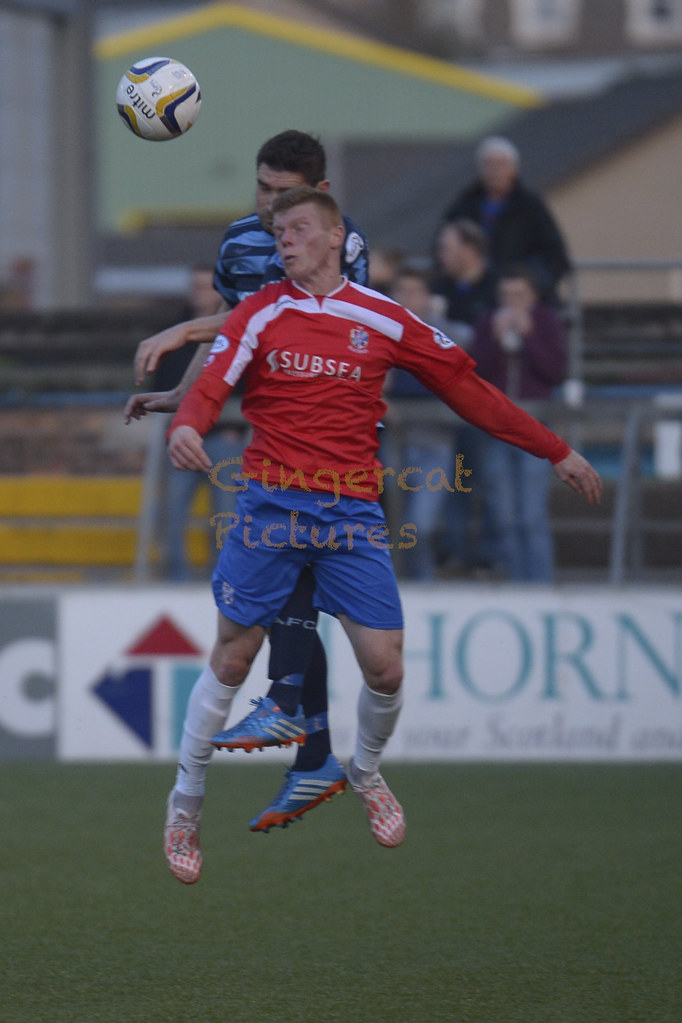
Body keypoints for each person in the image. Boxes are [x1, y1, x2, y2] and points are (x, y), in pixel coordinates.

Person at [163, 186, 601, 878]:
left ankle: (363, 771)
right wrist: (188, 421)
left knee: (386, 666)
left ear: (335, 237)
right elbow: (216, 381)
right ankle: (185, 801)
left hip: (350, 515)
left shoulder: (383, 317)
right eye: (280, 229)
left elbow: (472, 391)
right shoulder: (260, 310)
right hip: (271, 508)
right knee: (230, 660)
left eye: (299, 227)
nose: (285, 238)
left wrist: (556, 450)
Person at [124, 132, 369, 872]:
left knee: (348, 631)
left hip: (337, 445)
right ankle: (291, 747)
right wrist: (183, 396)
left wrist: (182, 327)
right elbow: (236, 334)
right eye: (260, 188)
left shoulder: (339, 244)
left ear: (318, 192)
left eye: (282, 191)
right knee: (250, 630)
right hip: (271, 446)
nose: (266, 204)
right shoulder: (240, 242)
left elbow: (282, 318)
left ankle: (315, 737)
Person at [470, 266, 568, 582]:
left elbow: (555, 371)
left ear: (533, 297)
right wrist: (495, 341)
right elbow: (474, 374)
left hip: (535, 429)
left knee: (531, 516)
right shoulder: (489, 321)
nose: (511, 302)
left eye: (519, 295)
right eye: (506, 296)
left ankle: (540, 585)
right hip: (497, 429)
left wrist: (530, 337)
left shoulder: (545, 321)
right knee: (505, 516)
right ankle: (517, 585)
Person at [152, 266, 245, 581]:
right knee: (172, 512)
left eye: (206, 287)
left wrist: (236, 424)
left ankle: (223, 577)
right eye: (195, 286)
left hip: (225, 436)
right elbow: (162, 379)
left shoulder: (238, 332)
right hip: (182, 435)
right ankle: (176, 577)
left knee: (226, 513)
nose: (199, 293)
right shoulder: (176, 333)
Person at [383, 265, 468, 580]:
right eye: (400, 291)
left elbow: (446, 380)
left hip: (434, 442)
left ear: (427, 297)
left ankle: (424, 587)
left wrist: (394, 383)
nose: (406, 298)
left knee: (419, 526)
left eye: (413, 291)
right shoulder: (378, 332)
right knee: (397, 527)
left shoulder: (445, 334)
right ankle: (408, 590)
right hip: (391, 443)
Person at [442, 136, 571, 304]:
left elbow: (555, 256)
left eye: (501, 164)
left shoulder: (530, 205)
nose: (495, 170)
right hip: (474, 293)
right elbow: (442, 242)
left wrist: (529, 281)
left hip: (517, 291)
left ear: (514, 169)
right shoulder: (466, 203)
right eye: (489, 164)